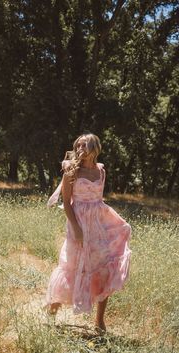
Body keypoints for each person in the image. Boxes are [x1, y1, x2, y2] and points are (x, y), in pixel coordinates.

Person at [44, 133, 131, 333]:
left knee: (103, 266)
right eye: (78, 145)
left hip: (98, 226)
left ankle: (99, 322)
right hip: (78, 224)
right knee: (71, 267)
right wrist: (77, 229)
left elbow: (98, 202)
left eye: (84, 145)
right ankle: (51, 316)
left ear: (94, 147)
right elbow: (66, 203)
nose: (80, 148)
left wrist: (115, 223)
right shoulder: (71, 170)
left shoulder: (101, 171)